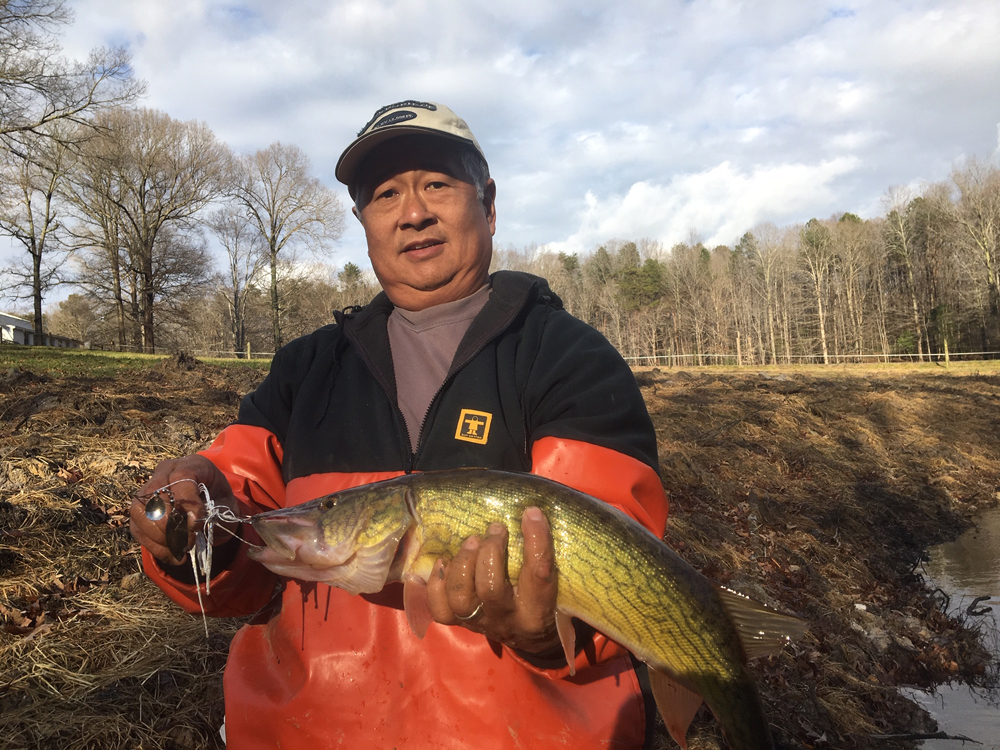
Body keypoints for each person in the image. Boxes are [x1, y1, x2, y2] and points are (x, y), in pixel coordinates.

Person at [130, 100, 669, 749]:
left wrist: (547, 630)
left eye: (437, 183)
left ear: (489, 206)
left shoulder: (570, 358)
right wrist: (196, 533)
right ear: (364, 223)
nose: (413, 211)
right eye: (385, 193)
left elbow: (623, 570)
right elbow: (244, 544)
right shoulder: (305, 371)